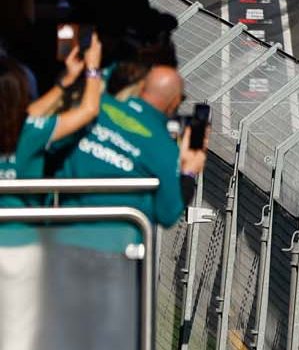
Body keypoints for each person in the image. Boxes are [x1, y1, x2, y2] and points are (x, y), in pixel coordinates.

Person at [51, 64, 205, 350]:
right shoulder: (162, 148)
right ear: (174, 103)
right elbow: (168, 213)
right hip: (116, 259)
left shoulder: (96, 109)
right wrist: (189, 172)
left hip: (64, 243)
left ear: (142, 88)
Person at [0, 35, 104, 350]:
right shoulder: (29, 132)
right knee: (19, 335)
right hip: (21, 248)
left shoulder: (27, 125)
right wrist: (92, 70)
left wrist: (63, 82)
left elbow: (30, 110)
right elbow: (87, 110)